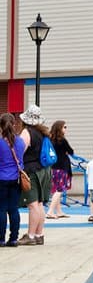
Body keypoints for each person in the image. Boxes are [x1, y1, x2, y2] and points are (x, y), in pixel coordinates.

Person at [17, 106, 51, 245]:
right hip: (44, 170)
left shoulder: (27, 132)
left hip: (31, 171)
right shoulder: (43, 133)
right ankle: (39, 234)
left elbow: (20, 152)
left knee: (32, 205)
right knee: (40, 204)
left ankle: (30, 236)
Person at [0, 113, 26, 247]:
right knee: (14, 209)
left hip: (2, 178)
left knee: (1, 209)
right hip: (16, 179)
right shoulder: (20, 141)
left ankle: (1, 239)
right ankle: (14, 238)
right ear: (14, 124)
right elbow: (21, 160)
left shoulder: (0, 142)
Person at [45, 119, 75, 218]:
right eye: (64, 127)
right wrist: (66, 152)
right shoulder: (62, 140)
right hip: (62, 167)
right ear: (60, 128)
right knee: (59, 190)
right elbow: (71, 151)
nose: (66, 129)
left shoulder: (49, 139)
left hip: (52, 167)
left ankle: (58, 211)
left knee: (55, 189)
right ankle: (50, 211)